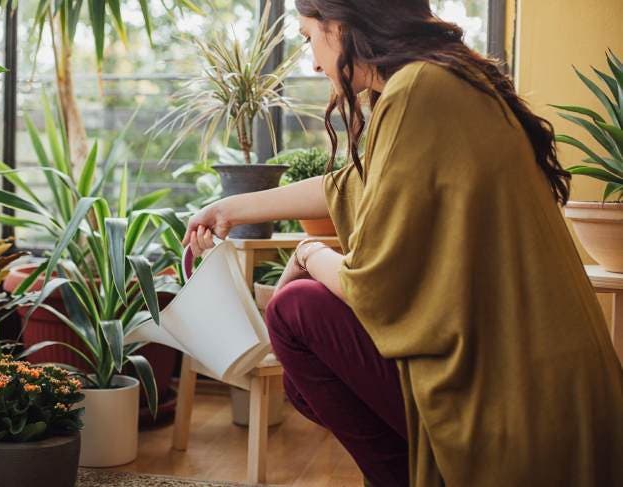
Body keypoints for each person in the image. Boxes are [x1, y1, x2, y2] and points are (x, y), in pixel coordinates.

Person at [182, 1, 623, 486]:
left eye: (309, 38)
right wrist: (228, 209)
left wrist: (308, 254)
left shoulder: (417, 90)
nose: (312, 63)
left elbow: (375, 289)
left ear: (342, 23)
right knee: (301, 378)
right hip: (552, 387)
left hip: (514, 396)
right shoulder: (443, 80)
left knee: (294, 310)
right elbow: (353, 184)